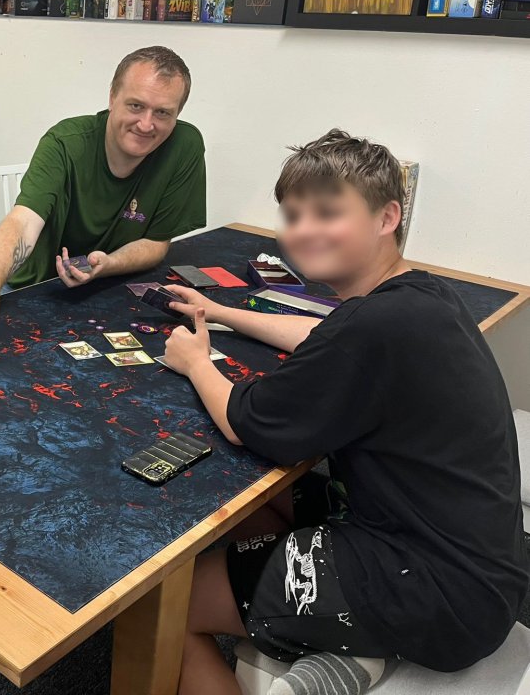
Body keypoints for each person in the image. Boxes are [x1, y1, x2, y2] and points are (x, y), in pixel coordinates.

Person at [160, 130, 528, 695]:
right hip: (481, 567)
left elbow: (244, 419)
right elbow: (323, 332)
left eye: (328, 212)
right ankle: (338, 640)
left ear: (387, 217)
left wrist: (194, 361)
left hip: (433, 594)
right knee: (264, 508)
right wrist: (221, 311)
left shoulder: (374, 328)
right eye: (293, 215)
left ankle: (359, 634)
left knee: (170, 607)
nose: (301, 230)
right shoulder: (421, 296)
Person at [0, 46, 206, 368]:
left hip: (104, 290)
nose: (146, 124)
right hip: (25, 285)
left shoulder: (185, 146)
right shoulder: (65, 142)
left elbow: (156, 243)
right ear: (112, 97)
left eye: (162, 113)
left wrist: (110, 263)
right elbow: (23, 221)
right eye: (136, 106)